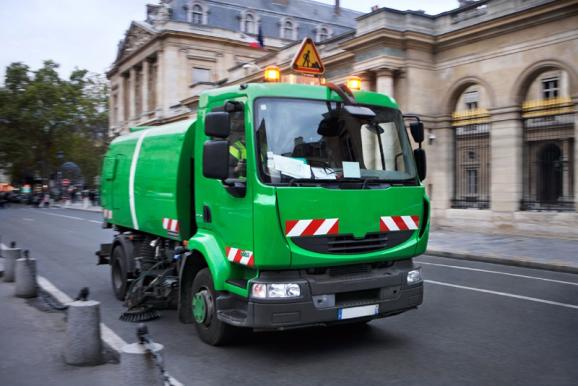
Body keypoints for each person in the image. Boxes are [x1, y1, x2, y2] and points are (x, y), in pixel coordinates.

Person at [229, 111, 246, 179]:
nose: (243, 134)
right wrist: (237, 169)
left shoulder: (263, 147)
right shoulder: (233, 149)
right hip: (241, 185)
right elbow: (225, 172)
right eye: (241, 131)